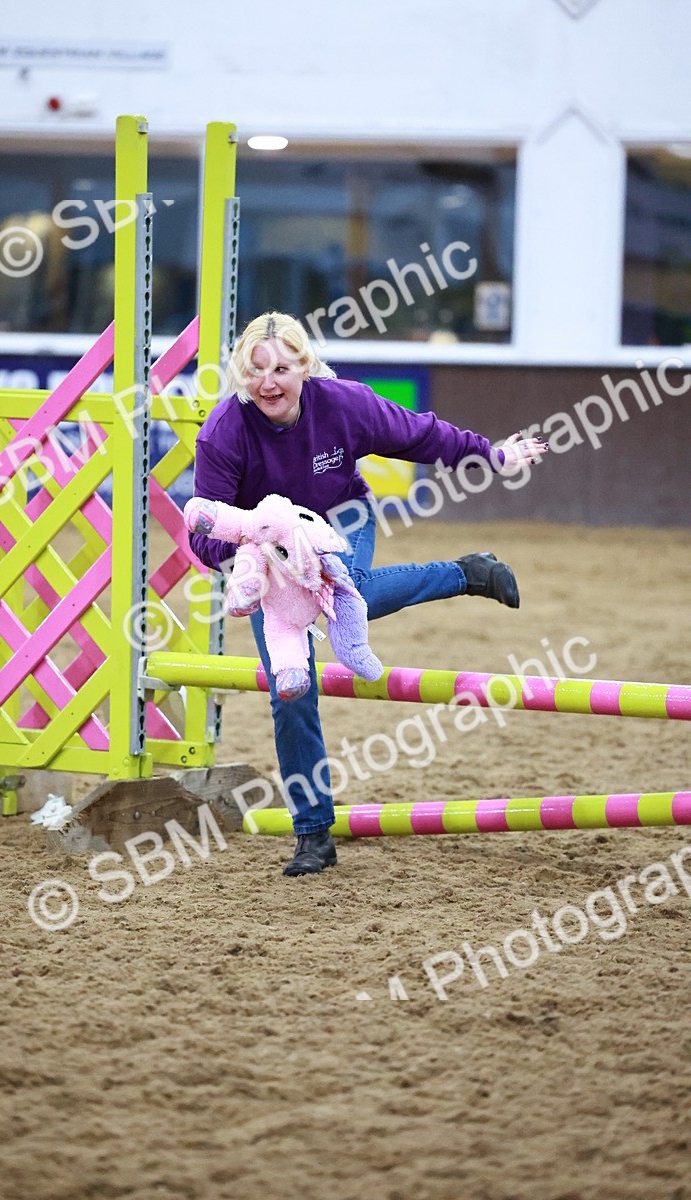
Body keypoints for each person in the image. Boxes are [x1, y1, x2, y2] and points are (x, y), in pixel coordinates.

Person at [188, 312, 548, 877]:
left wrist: (494, 456)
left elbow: (423, 434)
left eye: (282, 368)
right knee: (292, 691)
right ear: (241, 376)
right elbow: (204, 532)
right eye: (256, 372)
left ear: (305, 367)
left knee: (339, 597)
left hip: (343, 520)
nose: (269, 383)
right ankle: (313, 833)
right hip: (270, 555)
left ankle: (465, 573)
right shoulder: (223, 434)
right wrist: (252, 562)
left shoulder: (346, 404)